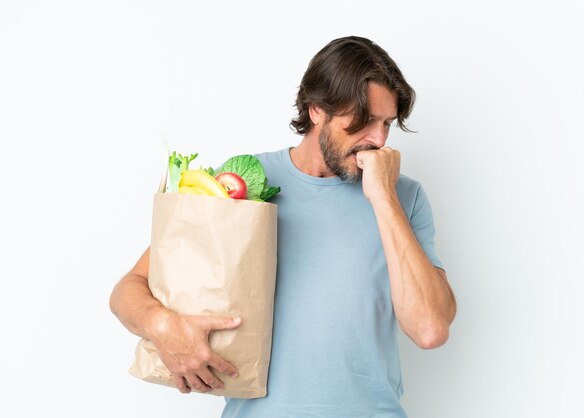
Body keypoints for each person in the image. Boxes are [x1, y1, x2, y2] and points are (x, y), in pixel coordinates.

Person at [110, 35, 457, 417]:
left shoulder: (405, 197)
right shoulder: (244, 184)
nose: (377, 140)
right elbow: (128, 290)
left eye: (386, 123)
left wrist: (384, 199)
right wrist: (162, 327)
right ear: (316, 110)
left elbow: (430, 330)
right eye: (362, 121)